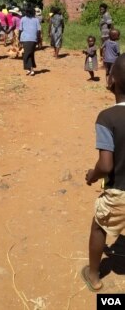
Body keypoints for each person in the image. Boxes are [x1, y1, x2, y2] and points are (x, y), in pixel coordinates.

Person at [82, 53, 125, 292]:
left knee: (99, 227)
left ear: (111, 81)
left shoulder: (107, 118)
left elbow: (106, 165)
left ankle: (94, 275)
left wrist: (92, 174)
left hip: (119, 192)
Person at [19, 6, 41, 76]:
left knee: (26, 55)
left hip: (26, 39)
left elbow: (20, 30)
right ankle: (29, 69)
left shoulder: (23, 19)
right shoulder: (36, 20)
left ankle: (30, 69)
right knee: (30, 54)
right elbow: (38, 31)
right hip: (33, 39)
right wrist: (38, 39)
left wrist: (19, 38)